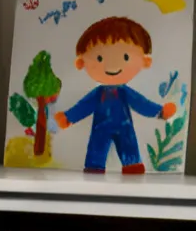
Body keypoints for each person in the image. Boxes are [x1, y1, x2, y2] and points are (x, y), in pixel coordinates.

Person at [54, 16, 177, 174]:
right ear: (81, 63)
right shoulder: (99, 93)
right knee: (97, 148)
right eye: (99, 58)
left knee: (128, 146)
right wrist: (69, 117)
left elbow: (141, 103)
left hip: (124, 127)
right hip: (101, 128)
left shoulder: (124, 92)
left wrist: (160, 111)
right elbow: (84, 106)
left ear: (145, 61)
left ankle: (130, 165)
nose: (112, 66)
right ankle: (94, 167)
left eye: (126, 57)